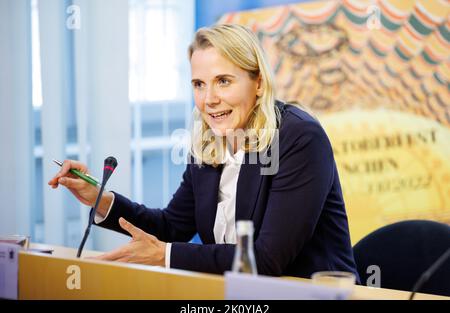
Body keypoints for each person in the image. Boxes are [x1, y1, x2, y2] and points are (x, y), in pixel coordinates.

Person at [48, 24, 359, 280]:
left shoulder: (298, 137)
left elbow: (264, 259)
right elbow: (171, 226)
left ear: (259, 83)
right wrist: (100, 198)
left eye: (223, 81)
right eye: (199, 84)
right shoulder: (209, 142)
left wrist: (164, 255)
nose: (209, 98)